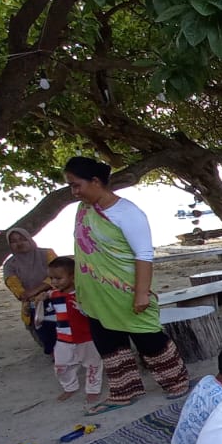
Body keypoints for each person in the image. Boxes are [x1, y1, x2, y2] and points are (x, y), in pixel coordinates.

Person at [65, 156, 190, 416]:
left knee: (148, 337)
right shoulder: (84, 210)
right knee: (107, 341)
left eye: (77, 185)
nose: (74, 192)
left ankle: (176, 381)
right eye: (71, 186)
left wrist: (141, 293)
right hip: (95, 292)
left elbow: (143, 254)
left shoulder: (127, 212)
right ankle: (125, 390)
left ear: (95, 181)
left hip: (125, 290)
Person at [46, 257, 103, 404]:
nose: (54, 282)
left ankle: (93, 390)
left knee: (93, 365)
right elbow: (48, 298)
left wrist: (83, 307)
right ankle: (70, 386)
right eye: (51, 278)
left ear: (73, 276)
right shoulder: (53, 295)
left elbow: (95, 313)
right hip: (63, 339)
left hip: (86, 338)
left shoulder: (82, 295)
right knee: (61, 366)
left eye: (58, 278)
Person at [2, 227, 58, 354]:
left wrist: (38, 290)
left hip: (57, 298)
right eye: (14, 241)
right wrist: (35, 295)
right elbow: (20, 292)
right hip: (32, 306)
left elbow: (58, 275)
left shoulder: (47, 254)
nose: (19, 243)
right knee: (47, 342)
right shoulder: (10, 265)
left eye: (22, 239)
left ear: (30, 239)